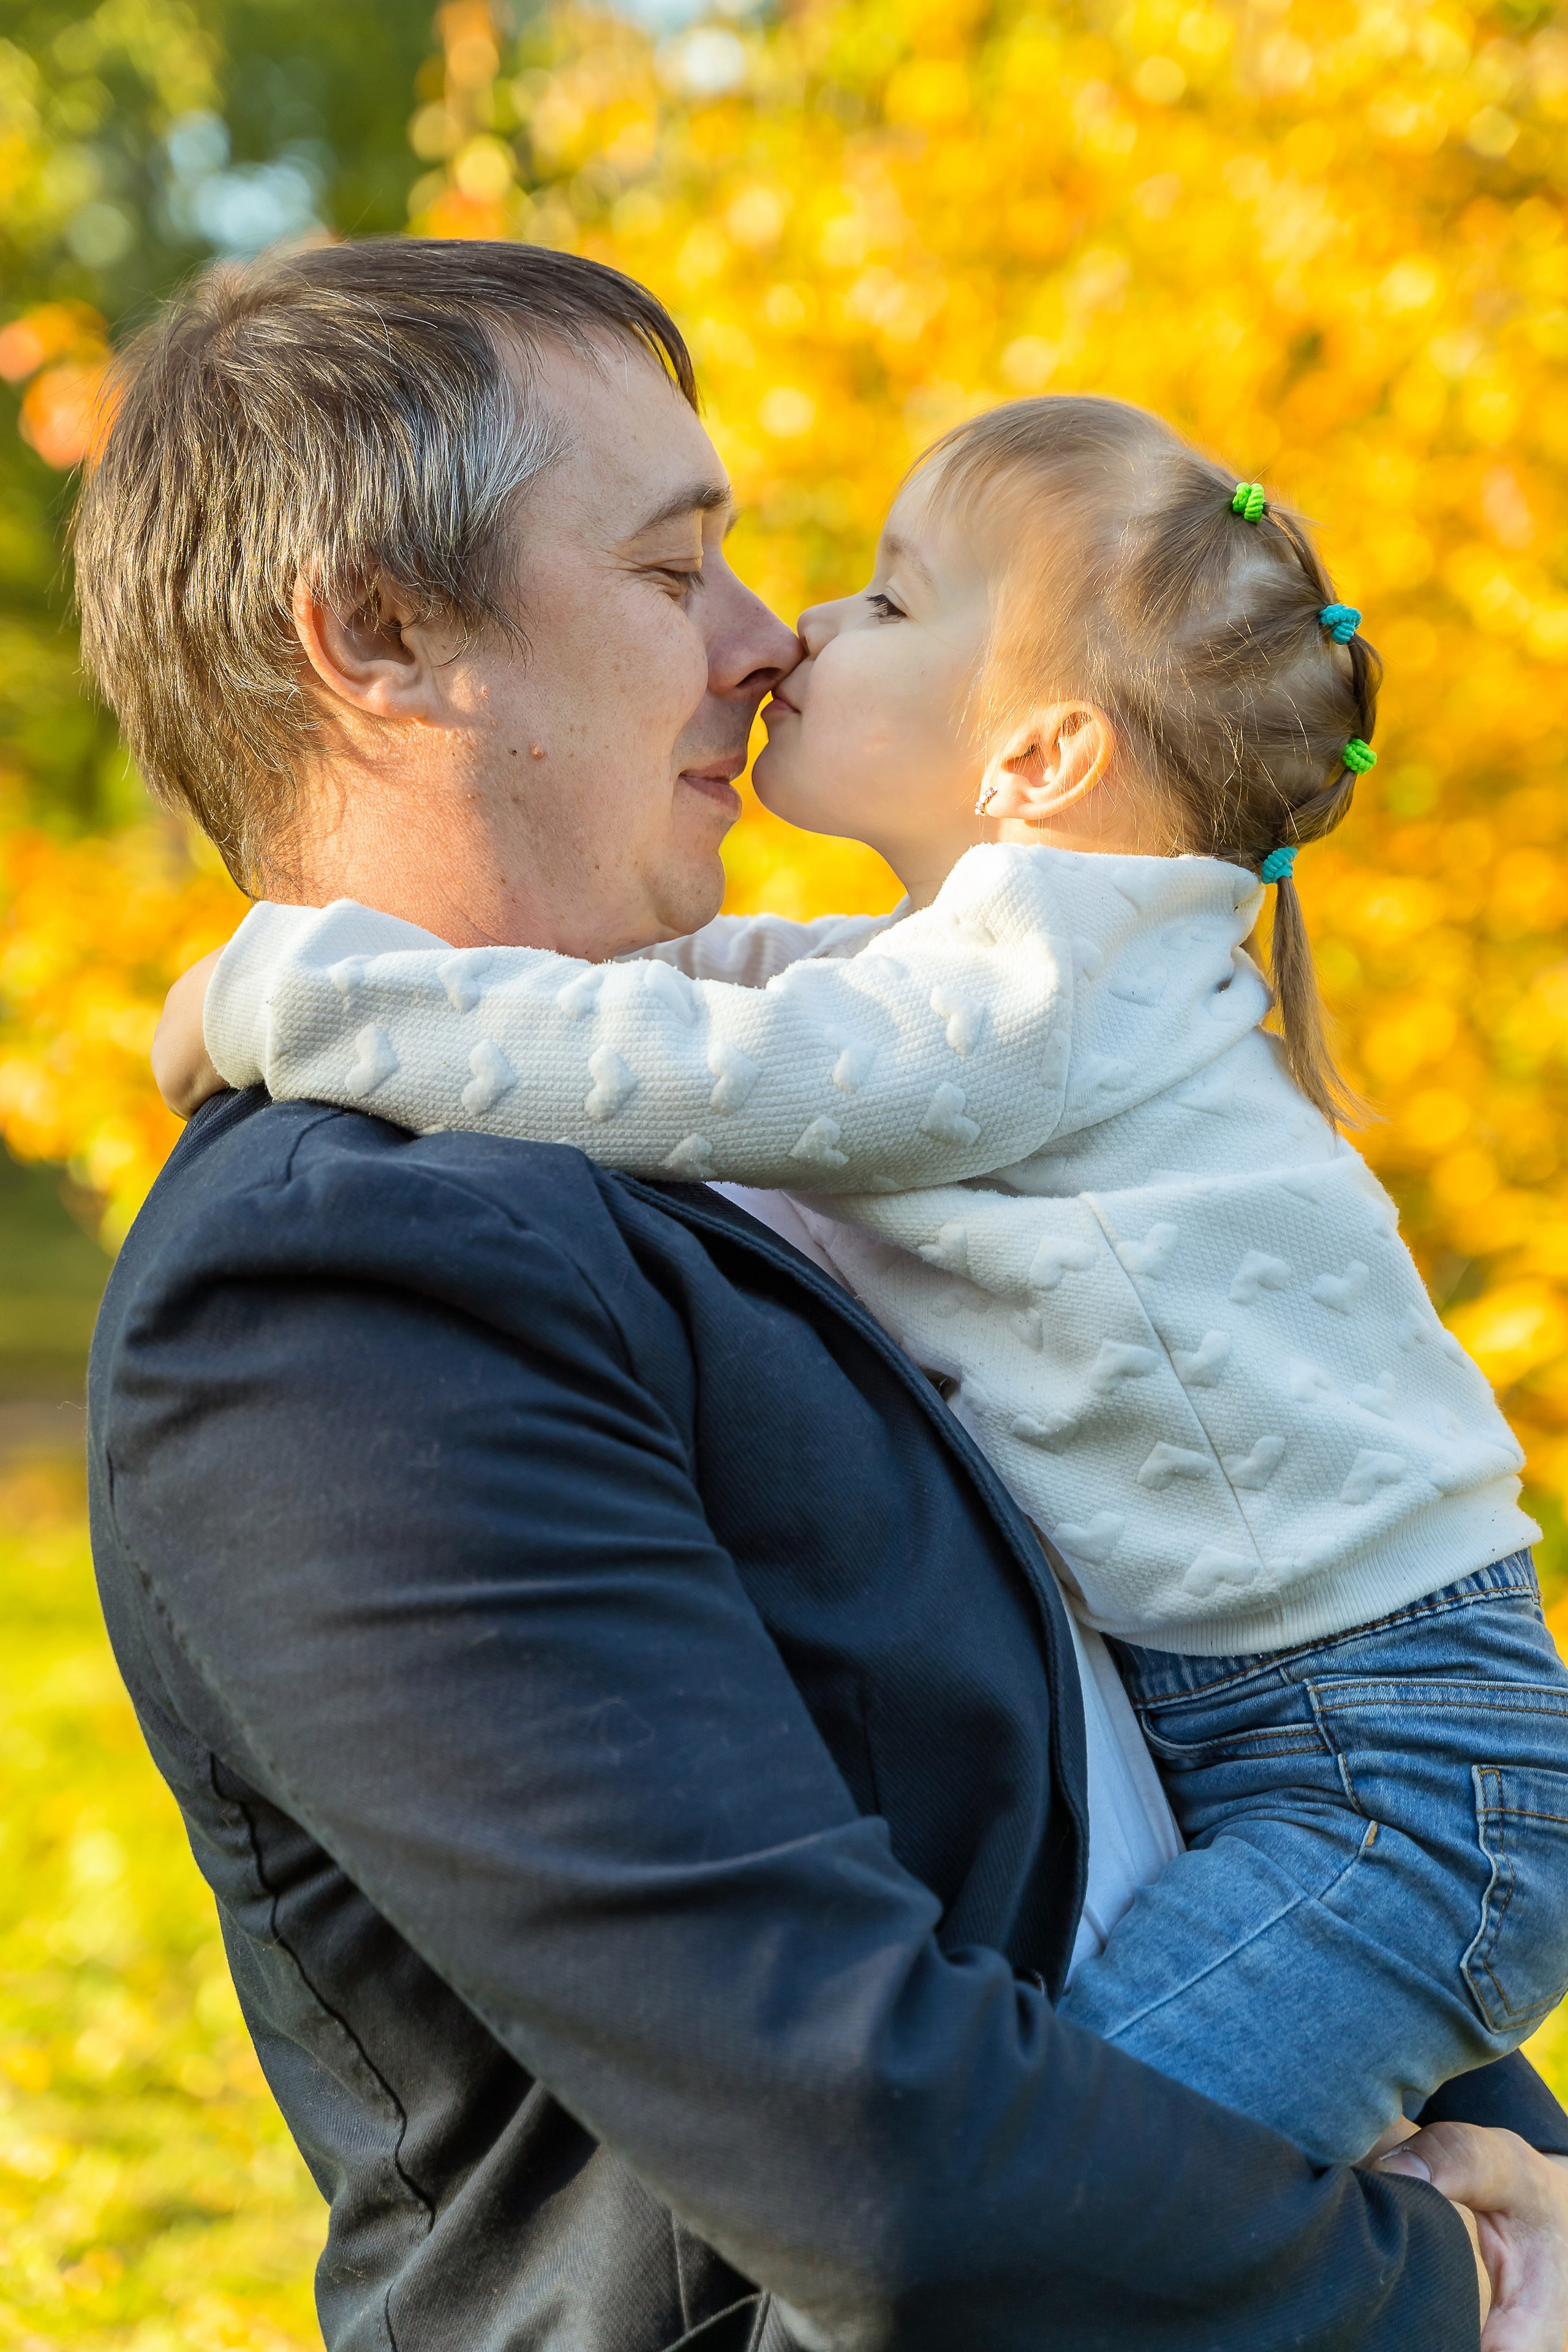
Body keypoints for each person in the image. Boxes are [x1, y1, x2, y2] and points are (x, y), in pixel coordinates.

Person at [83, 238, 1568, 2350]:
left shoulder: (811, 1124)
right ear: (383, 637)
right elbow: (880, 2157)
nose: (766, 639)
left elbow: (1204, 1807)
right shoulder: (336, 1282)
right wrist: (1480, 2294)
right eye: (674, 566)